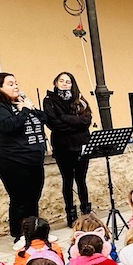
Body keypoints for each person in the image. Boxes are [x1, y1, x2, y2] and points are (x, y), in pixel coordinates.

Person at [0, 72, 48, 240]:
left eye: (16, 83)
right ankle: (20, 235)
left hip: (33, 158)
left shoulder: (19, 103)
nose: (16, 86)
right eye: (10, 84)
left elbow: (45, 118)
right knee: (21, 199)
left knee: (34, 198)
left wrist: (30, 108)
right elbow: (9, 126)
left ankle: (34, 232)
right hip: (13, 160)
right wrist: (24, 110)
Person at [42, 71, 95, 228]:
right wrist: (75, 123)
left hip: (81, 144)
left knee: (81, 179)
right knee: (67, 180)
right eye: (61, 81)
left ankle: (85, 211)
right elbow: (53, 123)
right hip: (63, 145)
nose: (65, 84)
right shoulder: (49, 100)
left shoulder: (79, 99)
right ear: (56, 82)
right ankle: (70, 213)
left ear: (73, 84)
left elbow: (87, 120)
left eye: (68, 81)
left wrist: (65, 118)